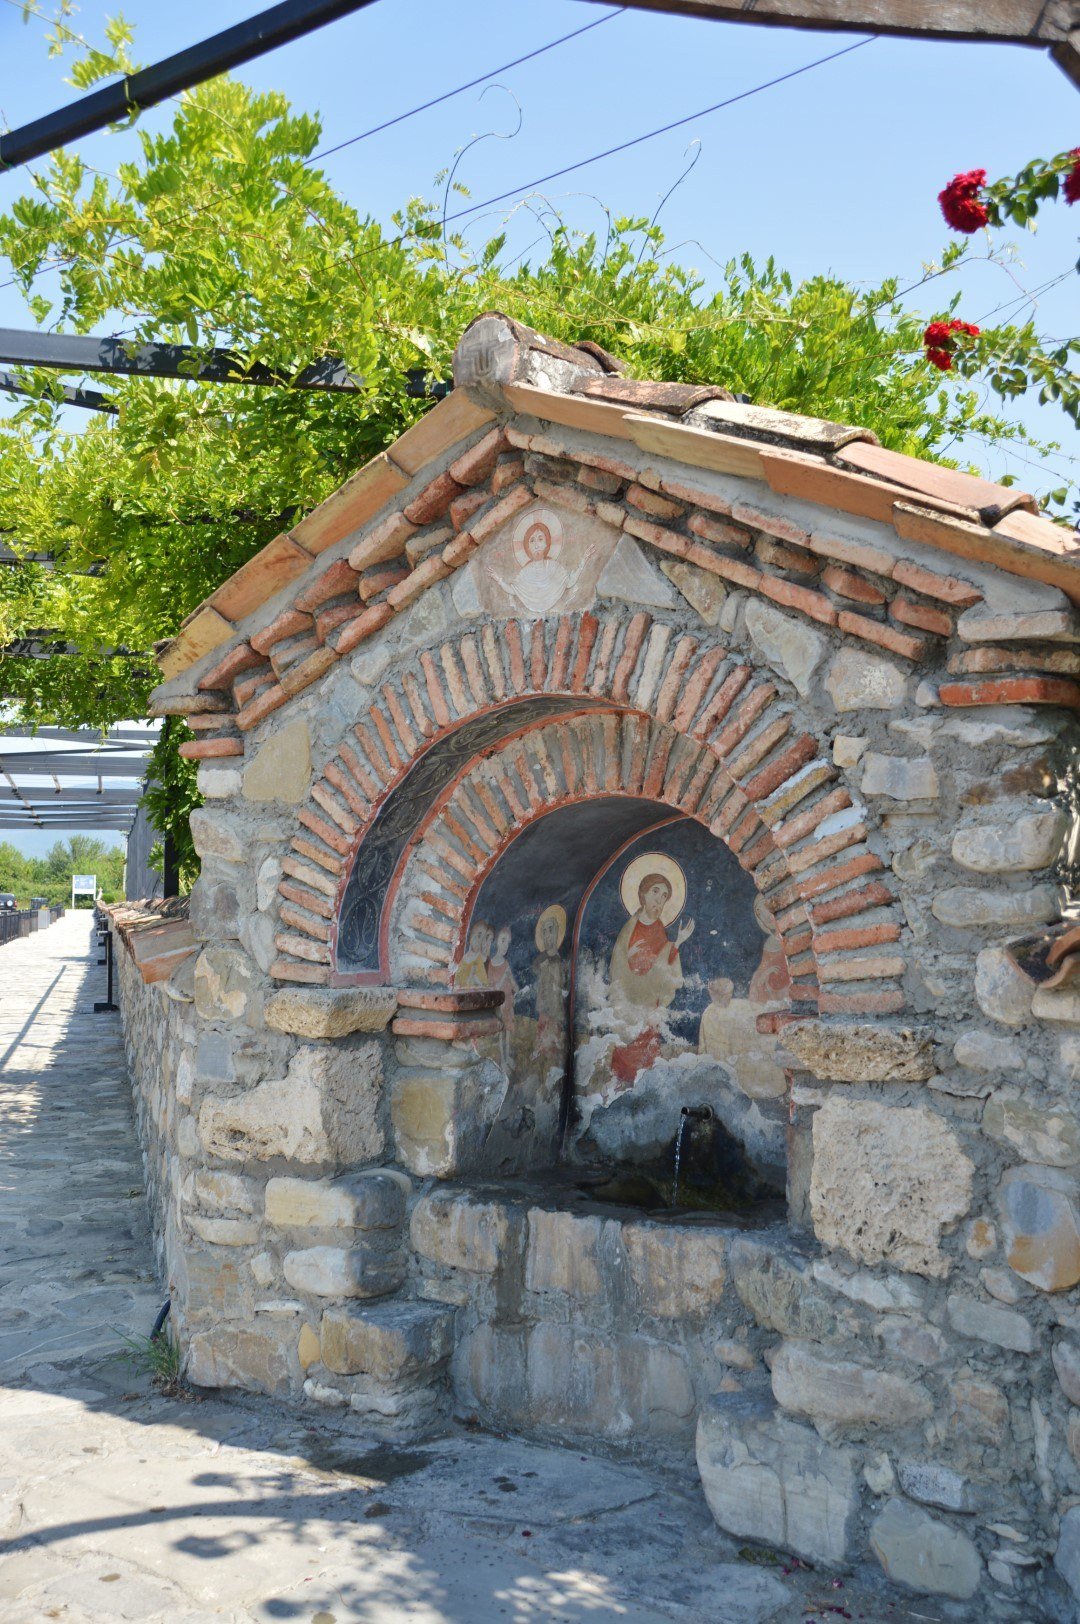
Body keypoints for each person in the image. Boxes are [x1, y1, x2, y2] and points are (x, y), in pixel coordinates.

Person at [608, 873, 694, 1087]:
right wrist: (628, 957)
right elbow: (617, 963)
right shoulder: (629, 928)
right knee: (624, 1057)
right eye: (655, 891)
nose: (659, 899)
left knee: (646, 1057)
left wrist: (678, 943)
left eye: (664, 896)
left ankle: (644, 1088)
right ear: (643, 895)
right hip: (628, 1004)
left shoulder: (659, 930)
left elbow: (663, 965)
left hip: (649, 1006)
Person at [486, 925, 518, 1069]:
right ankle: (502, 1060)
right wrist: (503, 977)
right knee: (501, 1032)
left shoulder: (506, 963)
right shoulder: (491, 964)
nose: (505, 945)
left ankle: (508, 1056)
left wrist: (518, 989)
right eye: (503, 940)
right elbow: (492, 988)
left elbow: (512, 981)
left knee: (508, 1031)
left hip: (509, 1002)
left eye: (508, 942)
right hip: (500, 1004)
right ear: (497, 941)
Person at [455, 920, 492, 989]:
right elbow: (456, 981)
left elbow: (484, 986)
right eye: (479, 935)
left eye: (483, 939)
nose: (479, 941)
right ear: (471, 934)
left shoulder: (479, 961)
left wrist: (474, 978)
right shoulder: (463, 959)